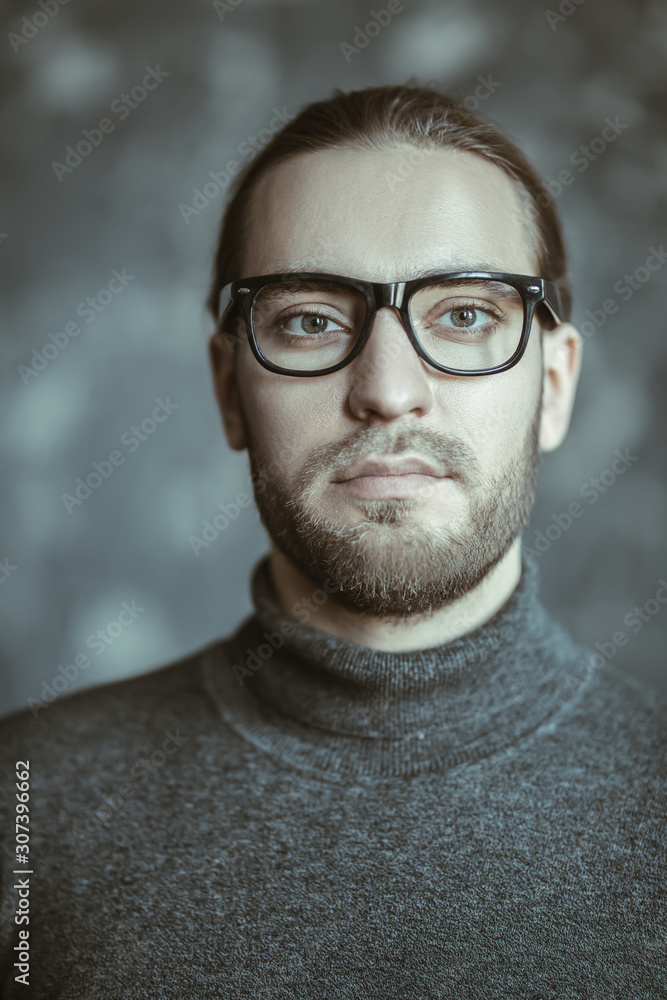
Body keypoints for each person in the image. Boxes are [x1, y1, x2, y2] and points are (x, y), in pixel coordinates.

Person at [1, 84, 665, 998]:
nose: (388, 389)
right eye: (309, 320)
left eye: (464, 315)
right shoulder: (27, 803)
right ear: (231, 391)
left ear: (552, 387)